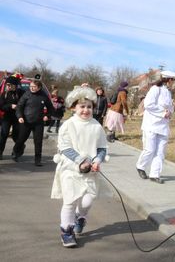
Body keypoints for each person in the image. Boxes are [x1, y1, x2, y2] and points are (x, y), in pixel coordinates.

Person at [50, 85, 108, 248]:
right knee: (70, 201)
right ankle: (67, 232)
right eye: (82, 106)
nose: (86, 110)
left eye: (89, 107)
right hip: (70, 170)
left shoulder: (96, 125)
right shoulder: (68, 125)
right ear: (74, 107)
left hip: (90, 172)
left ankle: (80, 217)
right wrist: (81, 161)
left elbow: (102, 148)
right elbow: (65, 147)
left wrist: (97, 160)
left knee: (87, 202)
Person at [135, 71, 175, 184]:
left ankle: (154, 174)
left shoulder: (168, 92)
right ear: (169, 80)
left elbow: (169, 108)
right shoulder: (155, 89)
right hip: (151, 124)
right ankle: (141, 166)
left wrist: (170, 112)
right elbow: (148, 104)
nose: (174, 83)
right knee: (149, 150)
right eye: (173, 80)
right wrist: (163, 112)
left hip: (163, 126)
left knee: (160, 152)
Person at [13, 79, 54, 166]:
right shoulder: (26, 94)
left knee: (38, 142)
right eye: (30, 86)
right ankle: (15, 152)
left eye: (34, 87)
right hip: (26, 121)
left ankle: (37, 160)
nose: (31, 88)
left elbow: (51, 108)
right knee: (21, 139)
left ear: (39, 87)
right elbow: (19, 106)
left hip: (38, 123)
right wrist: (20, 116)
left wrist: (48, 116)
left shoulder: (44, 96)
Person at [0, 75, 23, 158]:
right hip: (7, 117)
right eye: (7, 85)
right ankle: (0, 152)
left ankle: (17, 150)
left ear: (15, 85)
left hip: (18, 117)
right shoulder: (4, 94)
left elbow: (25, 103)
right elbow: (1, 106)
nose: (8, 87)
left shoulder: (21, 93)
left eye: (10, 85)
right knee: (4, 134)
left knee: (15, 135)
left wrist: (18, 107)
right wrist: (10, 106)